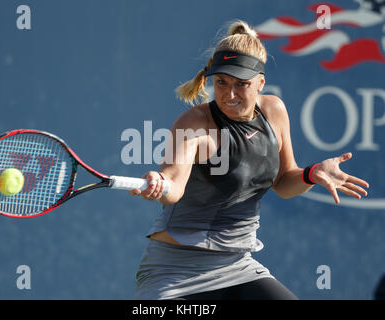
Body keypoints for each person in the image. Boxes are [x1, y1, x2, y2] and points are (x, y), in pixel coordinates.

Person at [130, 20, 370, 300]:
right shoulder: (194, 123)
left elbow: (283, 181)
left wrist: (311, 174)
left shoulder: (274, 111)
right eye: (221, 82)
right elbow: (173, 185)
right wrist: (161, 183)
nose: (229, 95)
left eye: (241, 84)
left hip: (237, 266)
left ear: (260, 83)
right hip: (172, 272)